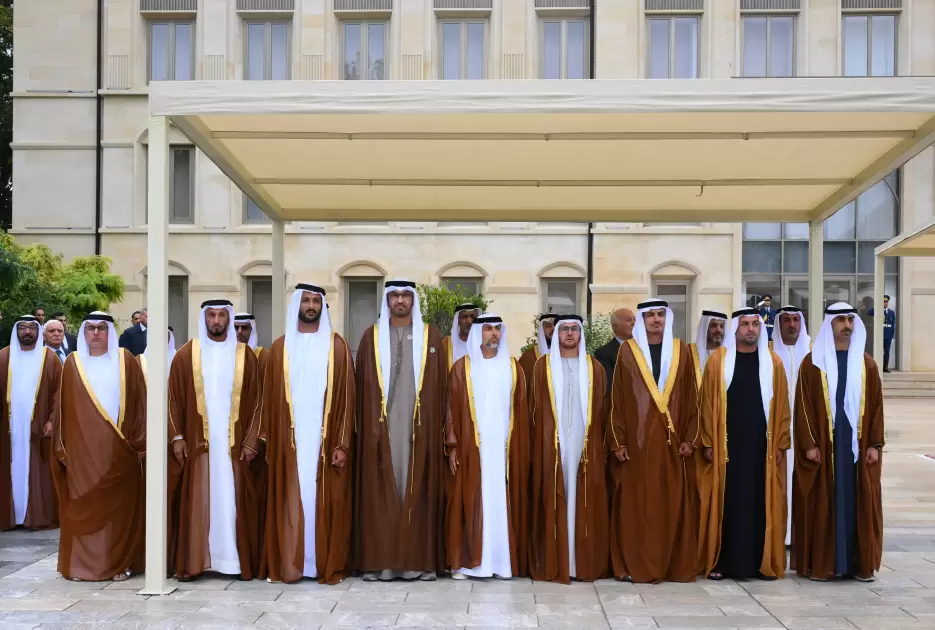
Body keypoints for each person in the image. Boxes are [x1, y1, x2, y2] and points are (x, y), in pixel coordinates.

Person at [354, 280, 447, 582]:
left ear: (413, 300)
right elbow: (361, 389)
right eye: (394, 295)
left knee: (418, 491)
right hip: (380, 431)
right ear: (387, 300)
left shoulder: (431, 337)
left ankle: (418, 564)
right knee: (380, 491)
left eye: (406, 295)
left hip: (420, 431)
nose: (400, 300)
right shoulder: (371, 338)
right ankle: (379, 563)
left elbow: (442, 390)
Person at [263, 285, 355, 584]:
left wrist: (341, 442)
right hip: (289, 441)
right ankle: (291, 562)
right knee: (291, 498)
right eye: (306, 300)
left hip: (323, 442)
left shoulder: (336, 346)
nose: (311, 305)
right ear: (297, 305)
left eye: (316, 301)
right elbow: (268, 399)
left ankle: (320, 563)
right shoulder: (280, 347)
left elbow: (347, 399)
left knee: (322, 500)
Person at [167, 299, 264, 581]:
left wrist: (252, 440)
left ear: (229, 319)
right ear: (204, 318)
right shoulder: (186, 355)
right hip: (198, 443)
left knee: (232, 501)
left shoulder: (245, 355)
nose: (217, 321)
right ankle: (197, 561)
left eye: (222, 315)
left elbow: (259, 402)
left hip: (235, 445)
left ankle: (232, 561)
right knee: (199, 500)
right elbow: (172, 399)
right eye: (211, 315)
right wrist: (177, 436)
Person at [607, 298, 698, 583]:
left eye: (660, 314)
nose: (656, 319)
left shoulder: (681, 350)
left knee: (671, 504)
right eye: (650, 315)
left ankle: (671, 566)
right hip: (638, 445)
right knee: (639, 506)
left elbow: (692, 397)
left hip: (673, 443)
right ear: (642, 320)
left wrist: (691, 437)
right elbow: (617, 399)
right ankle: (637, 564)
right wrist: (618, 440)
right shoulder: (627, 351)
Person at [793, 303, 884, 582]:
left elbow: (877, 407)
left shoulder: (867, 364)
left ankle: (858, 565)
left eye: (850, 320)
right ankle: (824, 564)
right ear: (829, 324)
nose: (847, 325)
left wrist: (874, 444)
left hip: (856, 447)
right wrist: (809, 444)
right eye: (841, 320)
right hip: (825, 445)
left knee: (857, 501)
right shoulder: (813, 363)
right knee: (825, 501)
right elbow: (803, 407)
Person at [697, 309, 790, 580]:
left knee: (760, 501)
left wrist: (781, 443)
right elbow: (706, 404)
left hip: (762, 447)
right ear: (736, 329)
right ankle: (723, 562)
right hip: (727, 446)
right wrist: (708, 441)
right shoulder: (718, 361)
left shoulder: (773, 362)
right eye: (745, 324)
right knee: (729, 501)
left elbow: (783, 407)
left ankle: (759, 564)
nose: (751, 329)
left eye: (755, 325)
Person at [52, 312, 147, 581]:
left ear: (110, 333)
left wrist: (138, 445)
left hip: (120, 450)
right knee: (83, 507)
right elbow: (62, 410)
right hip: (82, 454)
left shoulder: (125, 361)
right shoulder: (73, 363)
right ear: (83, 332)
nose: (95, 333)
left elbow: (141, 404)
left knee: (119, 510)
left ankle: (119, 563)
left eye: (101, 328)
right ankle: (82, 565)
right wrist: (62, 449)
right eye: (90, 328)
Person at [445, 314, 528, 580]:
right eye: (488, 328)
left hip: (504, 450)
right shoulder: (462, 368)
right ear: (478, 333)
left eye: (497, 329)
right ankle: (468, 564)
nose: (493, 334)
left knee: (500, 503)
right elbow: (450, 410)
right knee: (471, 501)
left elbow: (522, 412)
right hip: (472, 447)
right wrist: (452, 446)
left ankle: (502, 563)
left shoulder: (513, 367)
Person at [529, 315, 609, 584]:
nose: (570, 333)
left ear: (581, 333)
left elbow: (602, 411)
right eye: (564, 329)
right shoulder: (542, 367)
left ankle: (581, 563)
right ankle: (556, 561)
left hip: (585, 445)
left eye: (575, 329)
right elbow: (533, 410)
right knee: (554, 495)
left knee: (583, 497)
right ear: (557, 334)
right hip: (552, 444)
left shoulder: (595, 368)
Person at [0, 316, 61, 531]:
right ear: (16, 331)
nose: (27, 332)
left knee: (37, 469)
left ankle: (36, 516)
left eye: (32, 328)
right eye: (23, 328)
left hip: (39, 426)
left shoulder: (50, 358)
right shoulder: (3, 356)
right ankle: (10, 516)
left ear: (38, 332)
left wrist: (52, 420)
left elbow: (59, 393)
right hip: (8, 427)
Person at [772, 305, 811, 546]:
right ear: (779, 324)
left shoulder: (813, 351)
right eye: (786, 320)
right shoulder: (768, 353)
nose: (792, 325)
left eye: (796, 319)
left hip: (806, 433)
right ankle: (780, 534)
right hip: (777, 433)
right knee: (779, 483)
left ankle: (801, 534)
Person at [594, 308, 636, 391]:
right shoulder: (603, 354)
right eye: (629, 320)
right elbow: (610, 385)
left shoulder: (644, 347)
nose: (633, 323)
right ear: (616, 326)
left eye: (634, 319)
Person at [688, 311, 726, 388]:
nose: (718, 330)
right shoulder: (690, 353)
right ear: (705, 328)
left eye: (722, 326)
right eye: (713, 325)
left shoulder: (729, 355)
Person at [518, 313, 557, 388]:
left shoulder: (567, 354)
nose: (553, 329)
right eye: (549, 326)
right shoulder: (529, 356)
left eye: (556, 326)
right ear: (542, 330)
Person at [235, 312, 270, 391]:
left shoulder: (262, 355)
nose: (239, 331)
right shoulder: (226, 355)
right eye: (236, 327)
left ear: (252, 330)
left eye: (244, 328)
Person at [445, 303, 482, 371]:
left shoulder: (484, 344)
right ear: (458, 321)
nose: (469, 321)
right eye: (464, 317)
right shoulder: (446, 344)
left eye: (472, 317)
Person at [868, 296, 896, 372]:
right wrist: (877, 306)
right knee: (878, 351)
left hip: (888, 335)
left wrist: (892, 336)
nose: (885, 303)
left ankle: (885, 367)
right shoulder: (877, 311)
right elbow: (869, 312)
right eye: (884, 302)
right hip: (879, 335)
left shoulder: (891, 312)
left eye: (886, 302)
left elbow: (893, 325)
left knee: (887, 351)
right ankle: (877, 367)